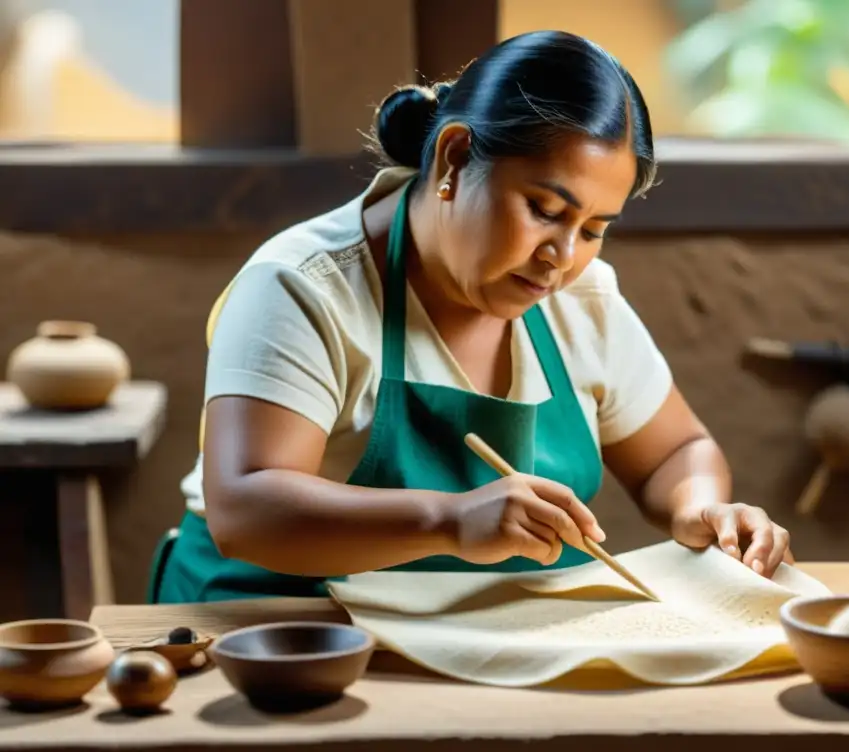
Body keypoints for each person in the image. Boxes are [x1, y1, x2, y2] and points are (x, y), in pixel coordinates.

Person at [156, 30, 792, 604]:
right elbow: (245, 509)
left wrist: (703, 509)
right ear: (455, 158)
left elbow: (674, 453)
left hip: (464, 640)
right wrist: (452, 520)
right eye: (544, 209)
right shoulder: (304, 285)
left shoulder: (583, 298)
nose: (561, 258)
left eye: (594, 228)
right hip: (272, 635)